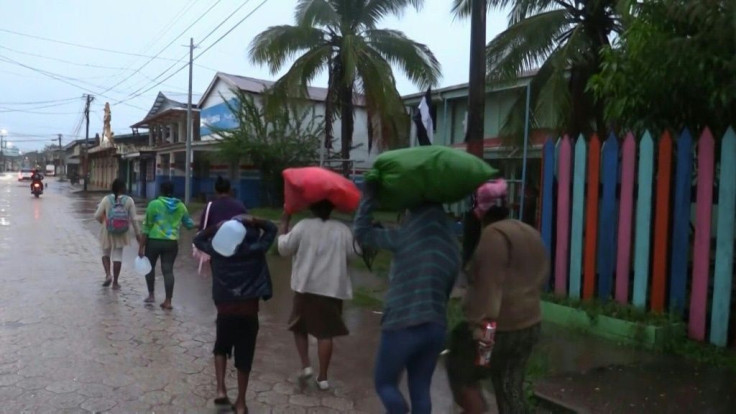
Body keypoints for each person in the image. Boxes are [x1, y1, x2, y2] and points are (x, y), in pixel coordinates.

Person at [353, 181, 460, 414]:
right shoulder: (451, 249)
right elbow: (447, 290)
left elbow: (361, 232)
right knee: (421, 389)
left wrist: (369, 197)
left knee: (385, 383)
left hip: (402, 323)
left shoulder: (403, 237)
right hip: (435, 327)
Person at [446, 179, 549, 414]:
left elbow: (488, 297)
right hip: (531, 323)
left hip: (501, 328)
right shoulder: (528, 231)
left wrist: (483, 342)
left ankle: (475, 409)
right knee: (510, 388)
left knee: (461, 370)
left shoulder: (492, 238)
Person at [193, 214, 277, 414]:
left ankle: (221, 389)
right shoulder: (256, 250)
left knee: (221, 347)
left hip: (225, 309)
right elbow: (272, 229)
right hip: (248, 311)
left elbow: (197, 239)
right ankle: (240, 403)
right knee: (244, 356)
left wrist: (216, 226)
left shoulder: (217, 251)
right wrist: (256, 220)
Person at [277, 200, 358, 390]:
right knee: (325, 333)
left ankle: (306, 366)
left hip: (306, 288)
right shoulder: (342, 230)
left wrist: (283, 224)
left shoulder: (303, 226)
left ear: (311, 207)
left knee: (299, 327)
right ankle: (323, 378)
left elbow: (283, 249)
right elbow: (354, 254)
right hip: (332, 290)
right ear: (332, 208)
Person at [138, 181, 195, 309]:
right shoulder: (180, 206)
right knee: (168, 270)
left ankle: (151, 295)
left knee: (150, 267)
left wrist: (141, 246)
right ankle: (168, 301)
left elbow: (146, 227)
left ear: (161, 190)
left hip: (154, 241)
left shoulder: (154, 204)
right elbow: (189, 224)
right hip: (171, 242)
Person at [93, 178, 141, 288]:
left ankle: (108, 275)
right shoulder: (129, 200)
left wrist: (103, 222)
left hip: (107, 229)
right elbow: (134, 219)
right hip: (122, 231)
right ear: (123, 188)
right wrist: (138, 235)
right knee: (117, 256)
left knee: (105, 253)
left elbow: (96, 215)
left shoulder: (106, 199)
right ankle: (115, 283)